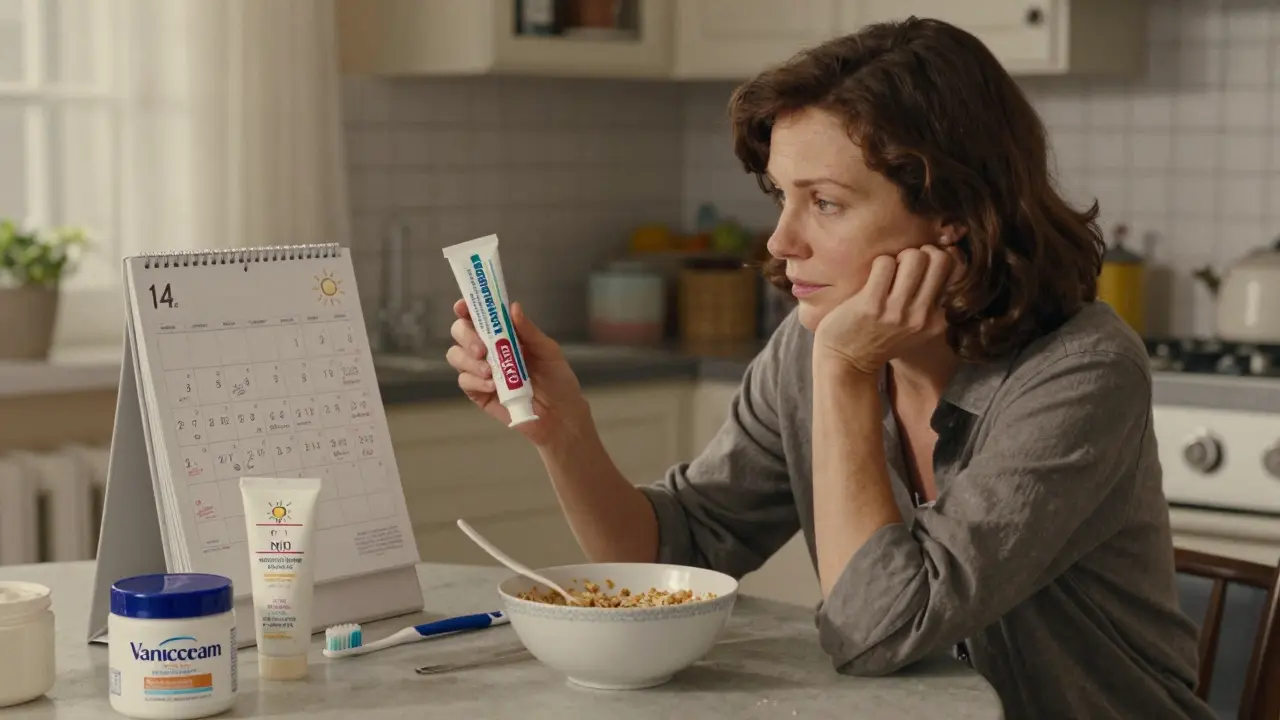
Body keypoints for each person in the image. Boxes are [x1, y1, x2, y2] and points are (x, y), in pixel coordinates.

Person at [445, 16, 1214, 720]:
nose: (781, 241)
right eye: (782, 196)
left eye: (828, 204)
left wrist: (844, 372)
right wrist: (566, 434)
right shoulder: (810, 342)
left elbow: (876, 634)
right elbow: (673, 557)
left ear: (952, 213)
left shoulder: (1080, 371)